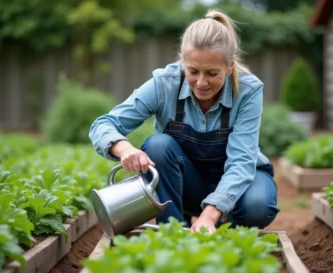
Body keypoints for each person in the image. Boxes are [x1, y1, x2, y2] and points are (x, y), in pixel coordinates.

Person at [89, 9, 279, 233]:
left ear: (230, 66)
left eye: (211, 73)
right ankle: (173, 234)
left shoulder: (248, 91)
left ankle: (220, 233)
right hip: (189, 184)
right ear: (183, 62)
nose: (201, 82)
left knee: (258, 207)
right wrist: (123, 149)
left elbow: (241, 163)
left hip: (242, 182)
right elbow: (103, 124)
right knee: (158, 146)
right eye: (193, 71)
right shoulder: (164, 84)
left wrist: (209, 214)